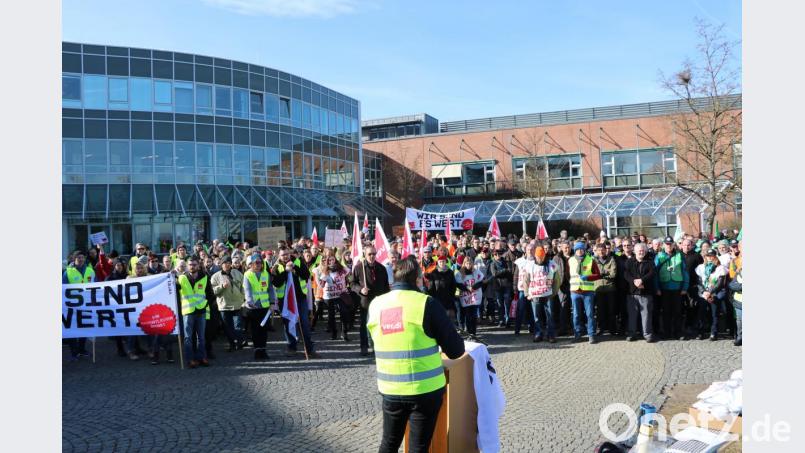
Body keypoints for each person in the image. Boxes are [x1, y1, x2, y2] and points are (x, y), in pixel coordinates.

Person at [367, 255, 465, 453]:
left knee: (389, 443)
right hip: (424, 390)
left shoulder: (376, 304)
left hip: (391, 387)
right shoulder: (426, 303)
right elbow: (456, 351)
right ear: (419, 279)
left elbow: (375, 340)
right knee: (418, 448)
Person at [271, 247, 317, 358]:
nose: (285, 256)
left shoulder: (298, 261)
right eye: (283, 255)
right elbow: (276, 283)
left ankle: (308, 347)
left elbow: (306, 276)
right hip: (285, 300)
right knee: (288, 323)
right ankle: (291, 346)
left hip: (300, 298)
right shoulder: (277, 267)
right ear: (279, 256)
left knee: (304, 323)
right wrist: (286, 272)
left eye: (287, 254)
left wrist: (295, 267)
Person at [176, 256, 215, 368]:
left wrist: (205, 303)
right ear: (187, 266)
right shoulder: (182, 278)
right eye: (190, 264)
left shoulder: (205, 277)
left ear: (198, 265)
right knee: (188, 337)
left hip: (201, 310)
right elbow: (174, 290)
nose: (192, 266)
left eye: (194, 264)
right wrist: (170, 277)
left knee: (201, 337)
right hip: (188, 311)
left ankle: (201, 357)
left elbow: (210, 294)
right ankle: (190, 359)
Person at [352, 245, 390, 356]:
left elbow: (386, 285)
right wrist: (360, 289)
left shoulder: (381, 268)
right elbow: (352, 283)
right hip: (365, 301)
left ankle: (375, 346)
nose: (372, 256)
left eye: (374, 254)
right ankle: (364, 346)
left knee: (377, 324)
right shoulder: (359, 267)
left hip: (379, 300)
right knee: (364, 324)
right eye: (369, 254)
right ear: (365, 254)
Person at [654, 236, 689, 340]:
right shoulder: (659, 256)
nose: (669, 246)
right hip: (664, 288)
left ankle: (678, 332)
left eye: (670, 244)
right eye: (667, 244)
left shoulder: (680, 255)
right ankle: (667, 333)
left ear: (674, 244)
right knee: (666, 312)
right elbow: (655, 274)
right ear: (663, 245)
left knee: (678, 312)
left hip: (677, 288)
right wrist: (657, 288)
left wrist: (685, 288)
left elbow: (685, 272)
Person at [521, 245, 558, 343]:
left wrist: (554, 292)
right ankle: (538, 333)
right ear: (535, 256)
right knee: (537, 316)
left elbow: (557, 280)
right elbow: (526, 280)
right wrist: (526, 293)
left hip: (548, 295)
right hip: (535, 295)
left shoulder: (551, 264)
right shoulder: (530, 265)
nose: (540, 259)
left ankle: (551, 335)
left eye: (542, 257)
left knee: (549, 315)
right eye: (538, 257)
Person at [63, 250, 95, 361]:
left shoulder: (90, 270)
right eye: (78, 258)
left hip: (86, 304)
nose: (81, 259)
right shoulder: (68, 272)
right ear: (74, 259)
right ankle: (74, 351)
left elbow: (98, 285)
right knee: (72, 328)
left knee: (84, 327)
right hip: (72, 306)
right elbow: (64, 289)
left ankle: (82, 349)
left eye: (82, 257)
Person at [568, 241, 601, 343]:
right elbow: (567, 274)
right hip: (575, 291)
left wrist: (588, 277)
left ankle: (591, 335)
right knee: (576, 314)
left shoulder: (591, 260)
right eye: (577, 249)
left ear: (584, 250)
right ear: (575, 250)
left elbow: (598, 275)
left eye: (581, 249)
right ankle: (577, 335)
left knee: (590, 314)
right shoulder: (570, 260)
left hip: (588, 292)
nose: (579, 251)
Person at [212, 256, 246, 353]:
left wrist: (242, 297)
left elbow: (243, 286)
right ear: (221, 264)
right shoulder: (215, 276)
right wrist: (221, 286)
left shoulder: (237, 273)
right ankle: (232, 344)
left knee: (238, 325)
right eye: (224, 263)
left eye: (228, 262)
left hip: (237, 304)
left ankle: (239, 342)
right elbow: (213, 291)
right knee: (228, 327)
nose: (227, 264)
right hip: (224, 306)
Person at [624, 243, 657, 342]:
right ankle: (632, 334)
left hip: (646, 292)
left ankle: (647, 334)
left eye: (643, 250)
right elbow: (626, 274)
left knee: (646, 314)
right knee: (632, 315)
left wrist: (642, 280)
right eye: (639, 250)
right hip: (632, 293)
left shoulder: (650, 262)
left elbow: (652, 273)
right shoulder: (629, 262)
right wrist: (635, 282)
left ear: (646, 251)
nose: (641, 252)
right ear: (635, 251)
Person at [243, 254, 273, 360]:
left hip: (264, 307)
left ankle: (263, 350)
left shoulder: (266, 274)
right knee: (255, 330)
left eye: (260, 262)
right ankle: (257, 351)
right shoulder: (247, 274)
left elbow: (270, 289)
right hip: (253, 307)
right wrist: (250, 301)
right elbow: (247, 290)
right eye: (256, 262)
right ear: (251, 264)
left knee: (264, 330)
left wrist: (272, 302)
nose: (258, 264)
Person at [695, 249, 728, 341]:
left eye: (711, 255)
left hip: (714, 294)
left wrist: (710, 292)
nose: (709, 257)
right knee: (701, 313)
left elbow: (720, 283)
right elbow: (699, 282)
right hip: (703, 294)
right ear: (705, 257)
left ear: (715, 256)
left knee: (714, 314)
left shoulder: (720, 268)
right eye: (707, 256)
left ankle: (714, 333)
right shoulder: (700, 267)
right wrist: (704, 292)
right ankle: (701, 333)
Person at [316, 254, 351, 341]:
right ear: (327, 262)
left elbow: (349, 273)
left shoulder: (342, 270)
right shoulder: (325, 272)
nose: (331, 262)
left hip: (341, 295)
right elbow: (321, 285)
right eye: (329, 260)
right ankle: (334, 333)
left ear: (336, 260)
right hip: (329, 297)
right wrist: (319, 277)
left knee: (344, 313)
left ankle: (344, 333)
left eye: (333, 260)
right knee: (331, 316)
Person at [454, 255, 485, 339]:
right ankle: (469, 333)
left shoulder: (476, 271)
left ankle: (473, 332)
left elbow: (482, 281)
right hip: (466, 297)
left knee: (474, 315)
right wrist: (467, 288)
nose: (469, 265)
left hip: (474, 297)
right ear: (464, 263)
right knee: (468, 316)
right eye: (467, 263)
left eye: (470, 263)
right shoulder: (460, 273)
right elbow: (458, 284)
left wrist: (474, 287)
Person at [593, 243, 619, 336]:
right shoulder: (593, 261)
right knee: (600, 311)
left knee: (611, 310)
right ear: (596, 251)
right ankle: (600, 328)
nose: (601, 252)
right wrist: (605, 273)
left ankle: (612, 329)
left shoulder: (611, 259)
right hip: (598, 289)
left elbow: (613, 274)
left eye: (603, 250)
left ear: (606, 250)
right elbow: (593, 274)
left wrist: (601, 273)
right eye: (599, 250)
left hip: (610, 289)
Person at [425, 256, 458, 323]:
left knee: (448, 320)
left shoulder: (450, 272)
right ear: (438, 263)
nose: (442, 263)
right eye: (440, 262)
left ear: (446, 262)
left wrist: (451, 296)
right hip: (437, 299)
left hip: (448, 299)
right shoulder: (434, 273)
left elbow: (453, 286)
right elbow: (431, 287)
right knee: (439, 319)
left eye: (443, 261)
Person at [490, 247, 514, 328]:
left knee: (507, 304)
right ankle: (501, 320)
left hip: (506, 285)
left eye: (499, 254)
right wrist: (504, 271)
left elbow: (510, 271)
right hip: (498, 286)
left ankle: (507, 320)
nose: (497, 256)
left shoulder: (506, 262)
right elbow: (494, 274)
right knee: (500, 304)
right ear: (493, 255)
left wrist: (504, 272)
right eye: (495, 254)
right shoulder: (492, 263)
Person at [552, 240, 573, 336]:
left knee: (572, 307)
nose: (567, 249)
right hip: (561, 285)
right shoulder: (557, 258)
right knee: (563, 306)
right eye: (565, 248)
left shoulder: (574, 256)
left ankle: (571, 327)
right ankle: (563, 327)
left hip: (573, 284)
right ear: (561, 248)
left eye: (568, 247)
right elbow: (552, 271)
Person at [728, 266, 742, 347]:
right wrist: (741, 287)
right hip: (739, 302)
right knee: (739, 321)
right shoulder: (739, 272)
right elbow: (732, 285)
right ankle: (740, 338)